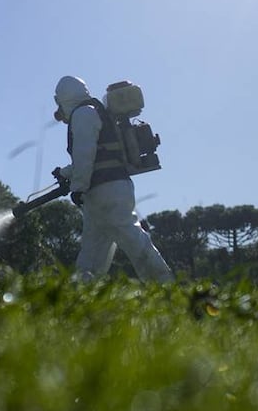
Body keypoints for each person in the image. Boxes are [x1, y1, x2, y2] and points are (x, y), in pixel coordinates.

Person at [53, 75, 174, 283]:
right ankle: (82, 295)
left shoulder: (83, 114)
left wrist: (79, 187)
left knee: (130, 236)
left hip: (105, 190)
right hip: (104, 190)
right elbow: (96, 155)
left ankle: (165, 285)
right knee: (92, 250)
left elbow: (85, 153)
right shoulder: (94, 111)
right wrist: (65, 173)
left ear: (64, 98)